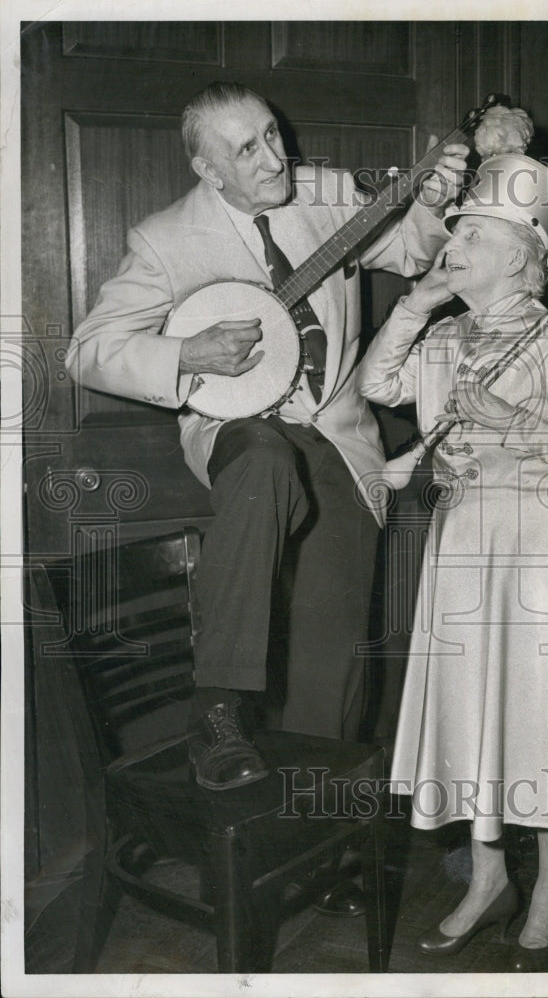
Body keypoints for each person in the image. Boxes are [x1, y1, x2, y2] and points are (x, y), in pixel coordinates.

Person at [66, 81, 468, 798]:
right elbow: (89, 351)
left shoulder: (327, 194)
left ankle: (324, 841)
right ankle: (217, 706)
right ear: (207, 169)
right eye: (245, 148)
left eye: (272, 134)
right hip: (239, 428)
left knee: (331, 653)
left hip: (339, 437)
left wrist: (433, 203)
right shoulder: (164, 239)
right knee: (263, 462)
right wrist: (186, 355)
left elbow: (410, 252)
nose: (273, 157)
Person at [356, 153, 548, 968]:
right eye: (452, 232)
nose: (453, 241)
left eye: (471, 233)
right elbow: (377, 383)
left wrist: (515, 426)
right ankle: (488, 878)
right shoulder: (445, 340)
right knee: (474, 711)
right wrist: (417, 302)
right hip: (463, 545)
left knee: (544, 714)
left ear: (522, 254)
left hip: (545, 548)